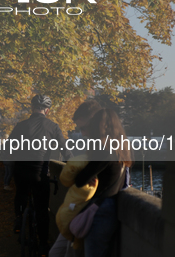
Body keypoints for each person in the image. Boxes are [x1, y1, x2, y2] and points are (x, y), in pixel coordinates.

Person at [9, 94, 72, 256]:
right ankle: (44, 245)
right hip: (40, 173)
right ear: (48, 110)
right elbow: (65, 152)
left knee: (21, 194)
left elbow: (7, 149)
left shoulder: (21, 125)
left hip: (21, 171)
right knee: (42, 209)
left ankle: (19, 217)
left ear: (32, 108)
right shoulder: (53, 127)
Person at [73, 108, 132, 257]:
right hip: (112, 204)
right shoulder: (121, 149)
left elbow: (80, 180)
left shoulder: (104, 151)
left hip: (101, 208)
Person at [49, 99, 103, 257]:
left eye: (84, 128)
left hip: (87, 213)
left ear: (95, 120)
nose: (83, 133)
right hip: (80, 211)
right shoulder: (95, 144)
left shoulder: (104, 146)